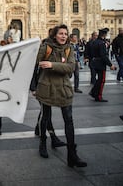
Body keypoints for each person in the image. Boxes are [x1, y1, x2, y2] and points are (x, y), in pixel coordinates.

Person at [35, 24, 87, 168]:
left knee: (69, 121)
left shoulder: (69, 49)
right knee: (45, 117)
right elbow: (35, 64)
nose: (64, 36)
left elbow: (71, 67)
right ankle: (43, 143)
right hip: (47, 87)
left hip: (64, 89)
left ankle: (72, 154)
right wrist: (33, 87)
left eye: (66, 34)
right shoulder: (46, 47)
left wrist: (52, 65)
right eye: (61, 33)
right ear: (54, 35)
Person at [88, 28, 116, 102]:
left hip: (94, 62)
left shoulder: (94, 42)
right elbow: (103, 56)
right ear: (104, 34)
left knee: (99, 79)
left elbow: (90, 52)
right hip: (101, 64)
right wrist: (110, 65)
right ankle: (99, 96)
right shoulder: (102, 43)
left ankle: (93, 92)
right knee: (102, 80)